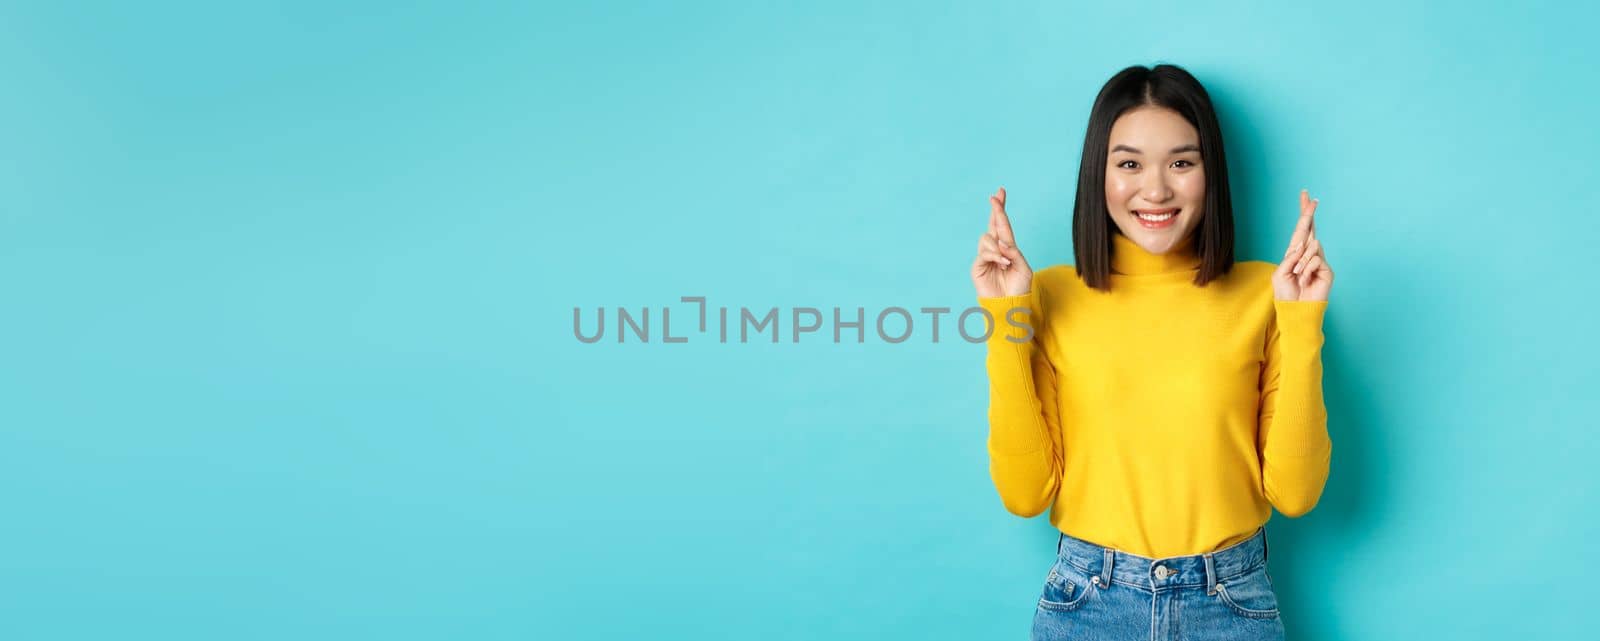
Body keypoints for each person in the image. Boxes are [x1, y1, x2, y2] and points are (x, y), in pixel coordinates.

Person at [969, 64, 1334, 641]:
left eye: (1182, 162)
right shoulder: (1049, 296)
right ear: (1100, 174)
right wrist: (1006, 316)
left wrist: (1302, 319)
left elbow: (1294, 494)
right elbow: (1025, 493)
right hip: (1088, 602)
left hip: (1230, 604)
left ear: (1209, 173)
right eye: (1130, 163)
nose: (1156, 189)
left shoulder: (1268, 295)